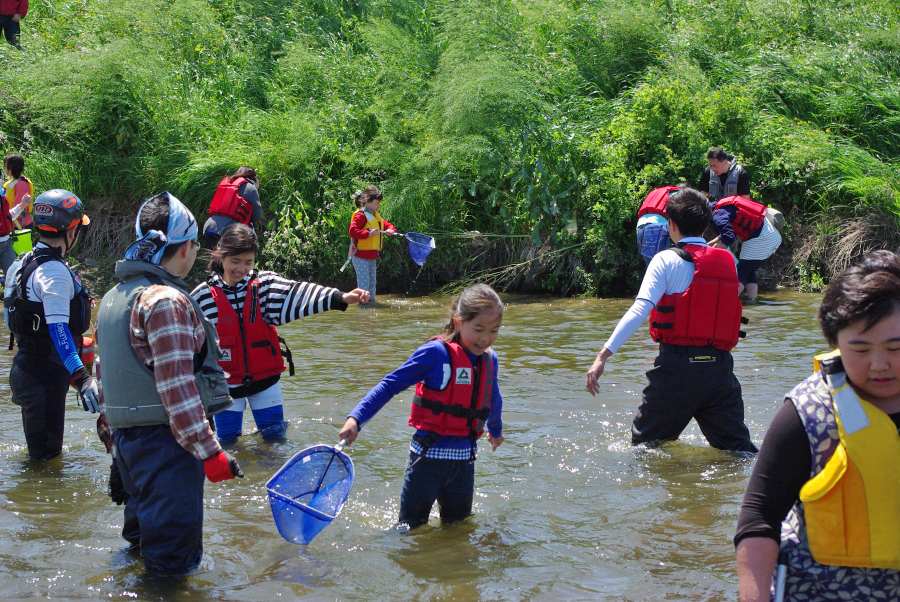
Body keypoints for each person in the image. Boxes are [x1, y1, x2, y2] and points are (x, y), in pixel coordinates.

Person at [735, 250, 900, 601]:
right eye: (860, 349)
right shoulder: (807, 413)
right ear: (835, 342)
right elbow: (758, 519)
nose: (880, 364)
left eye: (895, 347)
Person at [96, 192, 242, 574]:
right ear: (186, 248)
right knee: (173, 567)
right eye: (195, 245)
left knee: (141, 548)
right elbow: (177, 390)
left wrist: (115, 452)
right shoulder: (165, 301)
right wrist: (210, 452)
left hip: (129, 448)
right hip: (167, 446)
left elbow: (104, 382)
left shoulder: (114, 297)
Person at [585, 186, 757, 452]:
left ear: (671, 224)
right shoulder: (728, 261)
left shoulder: (665, 260)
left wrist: (602, 356)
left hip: (677, 371)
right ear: (705, 225)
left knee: (643, 449)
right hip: (720, 373)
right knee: (739, 452)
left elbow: (639, 311)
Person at [339, 283, 505, 528]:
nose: (485, 338)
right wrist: (356, 419)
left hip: (463, 464)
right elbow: (390, 385)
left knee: (458, 530)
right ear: (458, 321)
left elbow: (493, 397)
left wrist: (496, 430)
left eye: (494, 330)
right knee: (409, 529)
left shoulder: (489, 359)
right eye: (478, 329)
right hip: (426, 461)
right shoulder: (435, 353)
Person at [191, 223, 370, 444]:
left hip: (265, 380)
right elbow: (188, 344)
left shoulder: (264, 285)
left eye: (248, 262)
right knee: (227, 442)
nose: (241, 269)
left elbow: (300, 293)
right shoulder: (202, 296)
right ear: (221, 256)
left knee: (275, 440)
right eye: (234, 261)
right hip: (225, 385)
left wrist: (341, 298)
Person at [4, 189, 97, 460]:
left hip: (28, 369)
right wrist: (81, 378)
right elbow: (58, 330)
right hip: (42, 379)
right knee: (45, 467)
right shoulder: (54, 272)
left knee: (44, 460)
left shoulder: (21, 263)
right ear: (71, 231)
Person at [708, 194, 782, 302]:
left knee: (741, 271)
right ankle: (752, 299)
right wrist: (709, 244)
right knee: (749, 269)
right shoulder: (723, 208)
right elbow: (727, 232)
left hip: (762, 239)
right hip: (773, 237)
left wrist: (715, 248)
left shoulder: (717, 216)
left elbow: (729, 238)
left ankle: (729, 301)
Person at [346, 185, 399, 306]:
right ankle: (363, 308)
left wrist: (391, 230)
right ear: (369, 201)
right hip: (360, 256)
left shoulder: (375, 216)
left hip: (371, 256)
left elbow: (387, 225)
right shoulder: (361, 215)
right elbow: (352, 231)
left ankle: (371, 305)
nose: (379, 205)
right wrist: (368, 234)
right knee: (364, 285)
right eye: (377, 202)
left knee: (372, 284)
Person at [203, 166, 262, 248]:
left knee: (215, 258)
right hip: (230, 230)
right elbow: (257, 216)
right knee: (232, 259)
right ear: (254, 178)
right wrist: (256, 188)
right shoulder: (251, 187)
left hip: (209, 227)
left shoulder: (226, 183)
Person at [636, 185, 678, 266]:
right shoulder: (679, 195)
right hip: (656, 226)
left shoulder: (658, 192)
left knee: (651, 266)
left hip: (641, 226)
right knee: (662, 266)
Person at [5, 152, 33, 229]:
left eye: (8, 167)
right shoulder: (11, 182)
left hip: (21, 224)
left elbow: (19, 205)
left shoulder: (22, 184)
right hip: (12, 222)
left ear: (15, 168)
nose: (6, 169)